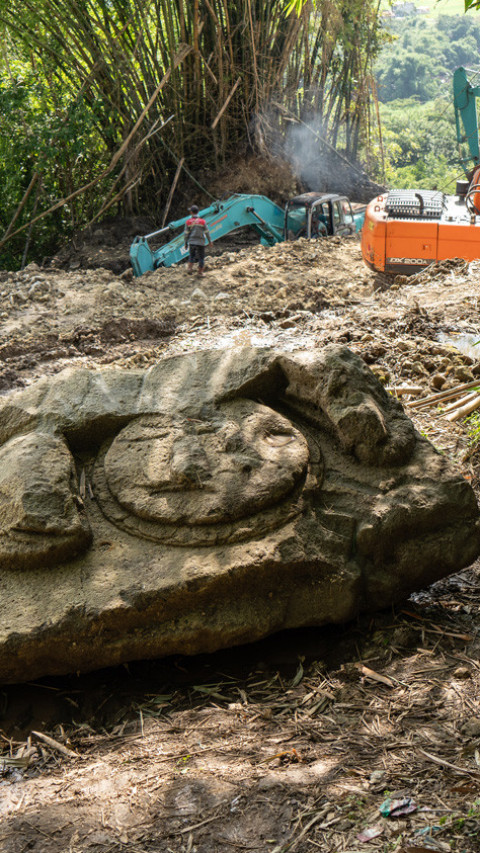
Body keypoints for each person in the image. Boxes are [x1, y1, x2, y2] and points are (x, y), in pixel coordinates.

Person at [184, 205, 212, 275]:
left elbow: (186, 234)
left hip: (192, 242)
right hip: (201, 242)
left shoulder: (188, 222)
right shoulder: (202, 221)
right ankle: (200, 272)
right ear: (198, 212)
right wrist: (210, 241)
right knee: (201, 257)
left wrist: (185, 243)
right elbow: (207, 232)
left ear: (191, 212)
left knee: (191, 255)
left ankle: (190, 269)